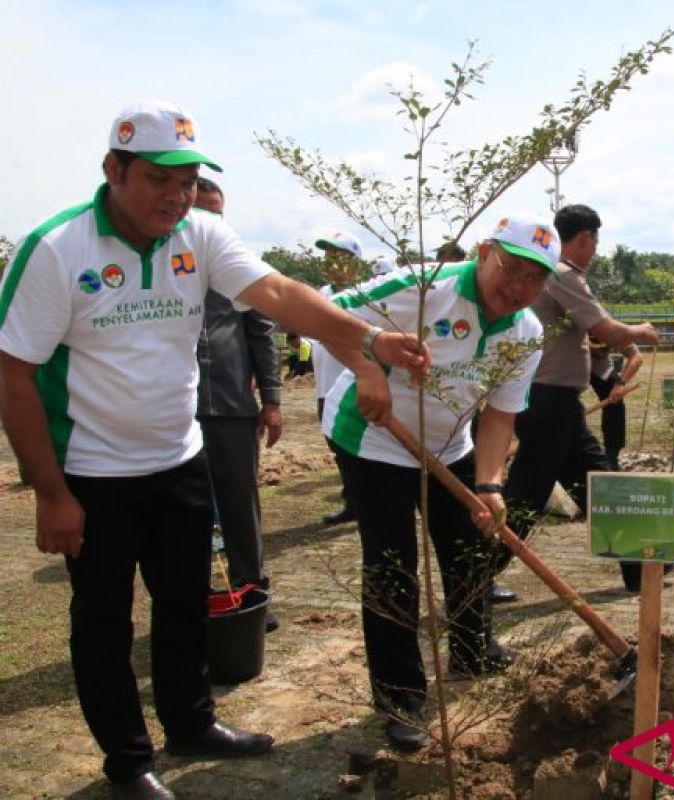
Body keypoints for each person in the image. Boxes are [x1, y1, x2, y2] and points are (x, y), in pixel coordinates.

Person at [0, 100, 428, 799]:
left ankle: (191, 722)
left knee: (183, 603)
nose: (176, 195)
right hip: (92, 472)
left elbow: (279, 292)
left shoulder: (198, 233)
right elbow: (12, 374)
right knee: (104, 620)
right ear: (113, 170)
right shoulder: (57, 250)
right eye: (158, 179)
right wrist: (50, 492)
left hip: (179, 458)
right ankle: (128, 761)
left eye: (189, 179)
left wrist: (368, 340)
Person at [322, 216, 552, 751]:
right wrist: (368, 369)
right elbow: (329, 317)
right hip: (372, 440)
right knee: (393, 565)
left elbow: (499, 415)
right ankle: (400, 694)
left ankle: (474, 649)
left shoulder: (526, 332)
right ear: (485, 250)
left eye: (535, 281)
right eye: (512, 271)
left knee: (470, 550)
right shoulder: (421, 289)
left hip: (451, 447)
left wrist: (491, 486)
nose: (519, 289)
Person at [504, 204, 661, 594]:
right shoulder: (562, 274)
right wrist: (643, 330)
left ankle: (639, 564)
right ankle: (476, 575)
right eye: (593, 242)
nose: (594, 251)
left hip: (556, 402)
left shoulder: (552, 274)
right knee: (525, 499)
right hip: (549, 402)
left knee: (599, 484)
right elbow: (607, 330)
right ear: (585, 238)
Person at [193, 178, 284, 634]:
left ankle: (252, 595)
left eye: (216, 213)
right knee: (183, 513)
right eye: (200, 211)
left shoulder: (242, 269)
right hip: (175, 416)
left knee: (239, 506)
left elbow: (262, 336)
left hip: (231, 408)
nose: (209, 222)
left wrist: (271, 399)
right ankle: (189, 603)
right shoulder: (162, 269)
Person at [312, 231, 364, 525]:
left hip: (348, 387)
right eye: (329, 257)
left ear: (354, 263)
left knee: (350, 449)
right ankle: (352, 501)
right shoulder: (323, 293)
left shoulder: (365, 296)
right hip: (324, 387)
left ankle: (358, 503)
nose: (333, 263)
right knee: (337, 448)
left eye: (340, 257)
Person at [588, 338, 643, 469]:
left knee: (615, 403)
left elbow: (636, 356)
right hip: (566, 365)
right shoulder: (569, 329)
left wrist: (620, 384)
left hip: (599, 367)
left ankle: (611, 456)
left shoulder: (611, 330)